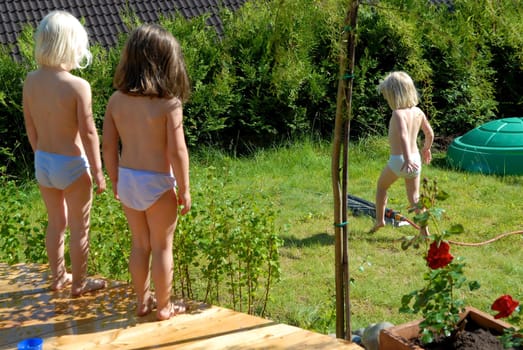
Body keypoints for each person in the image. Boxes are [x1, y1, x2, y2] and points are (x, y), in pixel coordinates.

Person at [102, 24, 192, 321]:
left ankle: (142, 302)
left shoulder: (116, 100)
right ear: (168, 63)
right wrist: (185, 188)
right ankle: (164, 307)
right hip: (157, 184)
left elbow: (108, 146)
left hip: (128, 180)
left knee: (139, 245)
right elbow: (178, 152)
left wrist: (115, 179)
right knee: (162, 246)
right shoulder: (169, 104)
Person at [22, 11, 107, 296]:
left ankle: (59, 278)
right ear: (72, 45)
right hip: (72, 165)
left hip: (43, 162)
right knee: (79, 228)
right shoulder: (77, 86)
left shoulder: (30, 81)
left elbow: (30, 125)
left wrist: (39, 155)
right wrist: (98, 171)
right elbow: (89, 133)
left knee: (55, 223)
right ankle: (80, 284)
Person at [371, 71, 434, 234]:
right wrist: (427, 148)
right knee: (415, 198)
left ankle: (380, 220)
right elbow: (430, 133)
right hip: (416, 159)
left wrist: (405, 158)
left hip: (400, 160)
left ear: (393, 95)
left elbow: (403, 136)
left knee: (381, 187)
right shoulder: (418, 112)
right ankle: (424, 230)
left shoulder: (398, 114)